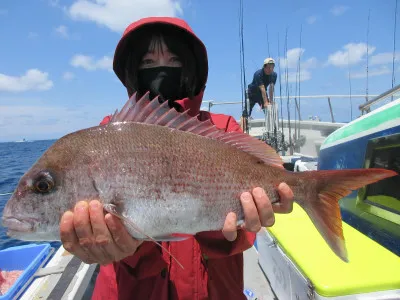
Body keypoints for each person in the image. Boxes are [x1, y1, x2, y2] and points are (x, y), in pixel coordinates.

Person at [59, 17, 294, 300]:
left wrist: (225, 228)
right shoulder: (111, 133)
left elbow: (242, 236)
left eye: (173, 60)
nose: (161, 70)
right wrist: (124, 245)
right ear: (133, 70)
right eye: (148, 63)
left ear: (190, 66)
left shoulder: (223, 129)